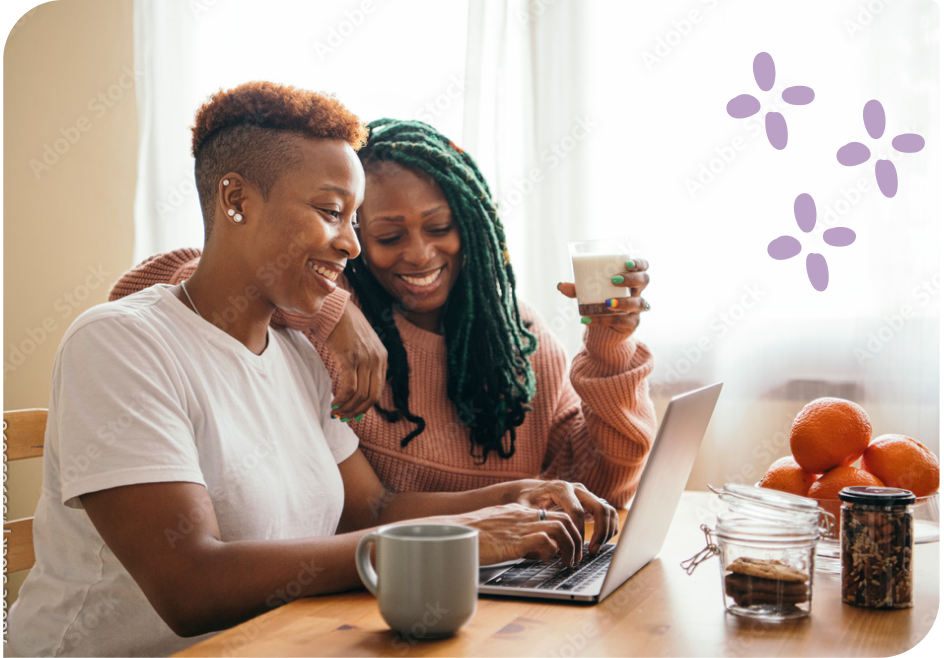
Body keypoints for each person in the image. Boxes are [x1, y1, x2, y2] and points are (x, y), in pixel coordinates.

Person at [7, 83, 617, 658]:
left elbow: (370, 510)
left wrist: (508, 501)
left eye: (354, 219)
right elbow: (191, 586)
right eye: (331, 212)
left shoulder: (299, 354)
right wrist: (460, 538)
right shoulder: (120, 344)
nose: (352, 244)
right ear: (236, 199)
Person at [114, 119, 657, 508]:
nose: (419, 255)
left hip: (502, 589)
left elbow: (600, 489)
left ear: (474, 228)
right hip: (362, 589)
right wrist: (335, 312)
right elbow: (155, 286)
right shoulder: (314, 311)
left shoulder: (518, 341)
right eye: (389, 236)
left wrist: (610, 347)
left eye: (440, 228)